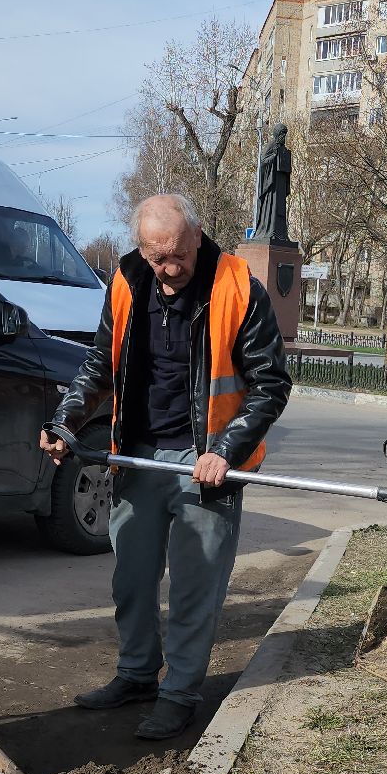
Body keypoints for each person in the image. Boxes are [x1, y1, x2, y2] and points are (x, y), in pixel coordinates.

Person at [41, 194, 291, 740]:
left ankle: (179, 692)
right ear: (141, 249)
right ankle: (135, 675)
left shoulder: (239, 287)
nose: (169, 268)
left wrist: (225, 448)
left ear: (197, 237)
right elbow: (96, 367)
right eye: (158, 257)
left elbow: (271, 384)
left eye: (178, 254)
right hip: (137, 453)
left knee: (195, 586)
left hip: (208, 460)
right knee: (131, 579)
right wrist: (64, 420)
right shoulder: (127, 283)